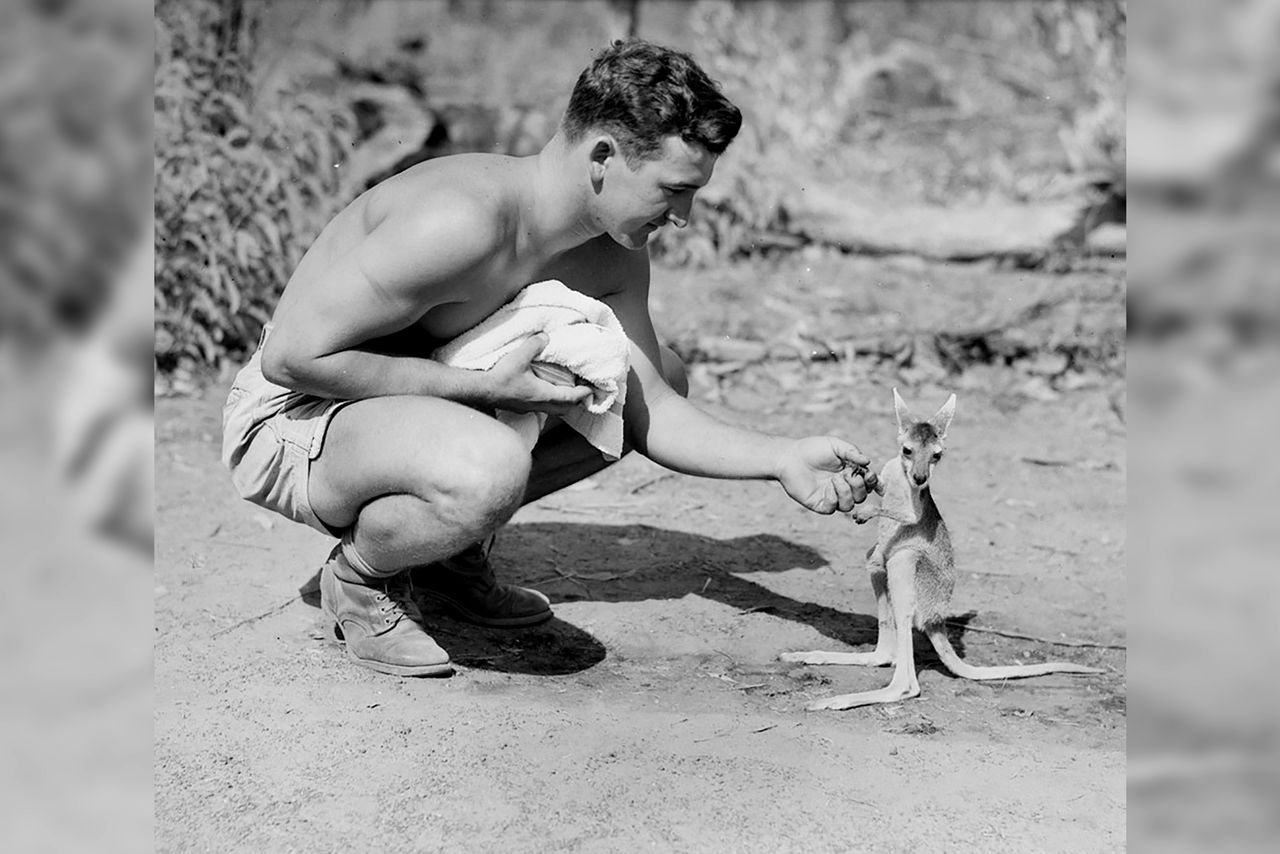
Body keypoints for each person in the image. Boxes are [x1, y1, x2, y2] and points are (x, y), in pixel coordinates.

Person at [223, 38, 877, 678]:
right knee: (492, 468)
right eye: (674, 189)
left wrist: (781, 457)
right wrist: (475, 388)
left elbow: (653, 410)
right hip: (294, 418)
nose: (684, 215)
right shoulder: (461, 219)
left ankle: (448, 553)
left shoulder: (616, 254)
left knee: (650, 377)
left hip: (405, 413)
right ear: (603, 157)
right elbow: (292, 359)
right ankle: (360, 579)